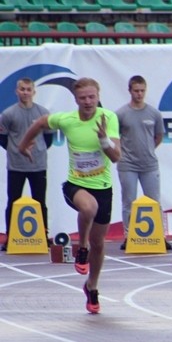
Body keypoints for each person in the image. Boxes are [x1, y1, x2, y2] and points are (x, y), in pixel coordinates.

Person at [19, 78, 120, 314]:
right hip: (75, 186)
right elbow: (41, 122)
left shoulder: (108, 118)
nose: (87, 102)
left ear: (98, 96)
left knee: (100, 243)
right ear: (75, 100)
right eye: (83, 98)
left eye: (91, 97)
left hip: (102, 186)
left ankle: (92, 286)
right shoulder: (67, 120)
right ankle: (80, 247)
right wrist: (24, 144)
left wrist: (104, 140)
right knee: (88, 208)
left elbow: (116, 157)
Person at [116, 75, 169, 250]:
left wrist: (149, 149)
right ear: (130, 91)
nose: (139, 94)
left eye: (142, 91)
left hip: (149, 164)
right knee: (129, 201)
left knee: (154, 201)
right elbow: (114, 137)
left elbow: (159, 136)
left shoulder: (154, 113)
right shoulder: (121, 114)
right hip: (128, 164)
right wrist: (124, 154)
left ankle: (159, 235)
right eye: (136, 91)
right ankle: (128, 235)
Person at [0, 78, 52, 251]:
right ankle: (10, 237)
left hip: (38, 165)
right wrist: (15, 150)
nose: (25, 92)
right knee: (13, 201)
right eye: (22, 89)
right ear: (16, 91)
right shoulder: (8, 114)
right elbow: (3, 138)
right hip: (16, 166)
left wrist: (38, 151)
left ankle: (43, 236)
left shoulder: (43, 113)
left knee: (40, 202)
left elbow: (48, 138)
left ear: (34, 92)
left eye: (28, 89)